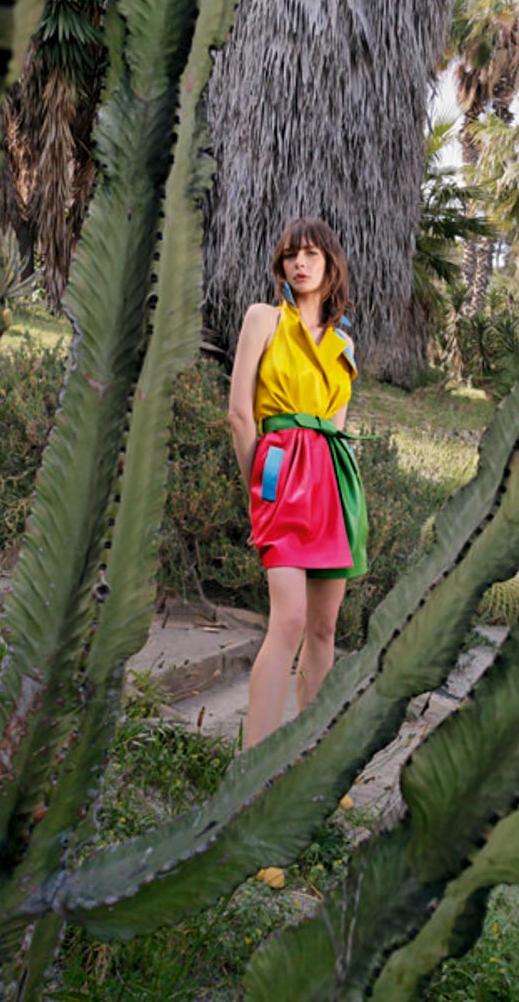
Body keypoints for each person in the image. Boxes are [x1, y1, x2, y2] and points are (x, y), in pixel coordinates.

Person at [227, 217, 369, 750]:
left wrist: (345, 498)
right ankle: (254, 763)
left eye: (312, 254)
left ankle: (311, 756)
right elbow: (240, 415)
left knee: (324, 630)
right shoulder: (264, 318)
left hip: (333, 483)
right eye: (291, 255)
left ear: (331, 266)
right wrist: (259, 492)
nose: (300, 263)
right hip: (279, 477)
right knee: (287, 621)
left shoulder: (344, 345)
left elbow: (338, 426)